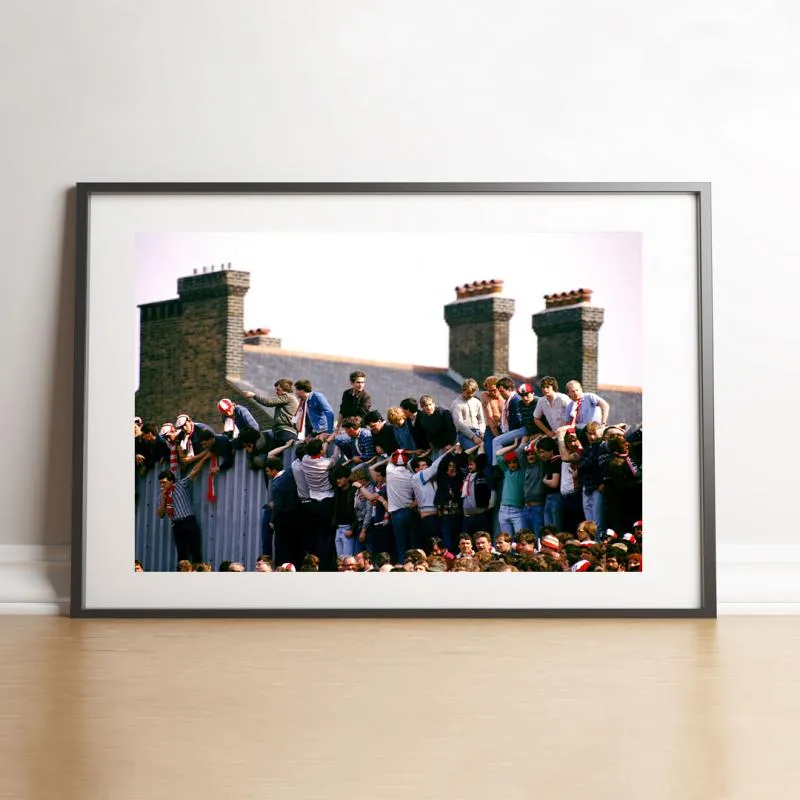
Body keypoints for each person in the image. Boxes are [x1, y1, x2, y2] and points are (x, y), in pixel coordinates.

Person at [156, 452, 211, 568]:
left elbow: (194, 472)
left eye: (164, 483)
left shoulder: (180, 485)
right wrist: (164, 499)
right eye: (160, 483)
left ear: (171, 481)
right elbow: (160, 515)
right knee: (182, 554)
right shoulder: (162, 496)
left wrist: (205, 458)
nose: (162, 485)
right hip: (177, 525)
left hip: (189, 521)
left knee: (195, 551)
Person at [264, 456, 303, 569]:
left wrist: (272, 520)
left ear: (274, 470)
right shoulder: (289, 473)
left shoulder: (276, 485)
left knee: (282, 548)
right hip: (298, 516)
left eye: (268, 471)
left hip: (284, 521)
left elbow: (279, 506)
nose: (267, 474)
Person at [242, 379, 300, 454]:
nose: (276, 392)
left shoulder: (288, 397)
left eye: (278, 390)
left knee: (280, 455)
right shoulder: (290, 398)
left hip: (286, 432)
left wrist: (254, 396)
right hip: (283, 431)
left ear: (285, 389)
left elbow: (268, 402)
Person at [563, 380, 610, 445]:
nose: (576, 393)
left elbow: (605, 405)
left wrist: (603, 423)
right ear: (568, 394)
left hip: (595, 431)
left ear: (581, 389)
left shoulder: (590, 397)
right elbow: (567, 423)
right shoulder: (569, 406)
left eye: (577, 390)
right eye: (573, 391)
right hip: (582, 435)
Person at [450, 378, 486, 450]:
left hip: (479, 432)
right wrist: (473, 437)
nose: (471, 395)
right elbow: (459, 424)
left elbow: (481, 420)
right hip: (464, 434)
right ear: (463, 390)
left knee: (488, 448)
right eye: (468, 393)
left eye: (473, 393)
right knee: (474, 450)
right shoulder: (457, 404)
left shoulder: (477, 402)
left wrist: (482, 432)